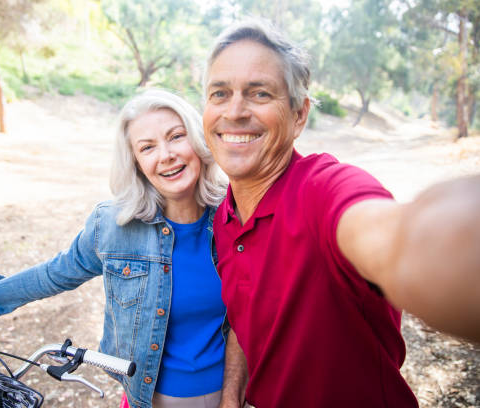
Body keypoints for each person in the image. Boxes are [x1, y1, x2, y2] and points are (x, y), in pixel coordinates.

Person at [201, 19, 480, 408]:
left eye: (259, 93)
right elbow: (246, 315)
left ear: (299, 115)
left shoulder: (323, 192)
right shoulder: (224, 217)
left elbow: (394, 238)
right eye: (219, 93)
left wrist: (441, 248)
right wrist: (231, 399)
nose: (234, 111)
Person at [0, 88, 232, 408]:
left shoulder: (235, 217)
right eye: (147, 147)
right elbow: (55, 274)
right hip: (145, 397)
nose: (165, 155)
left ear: (198, 139)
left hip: (226, 394)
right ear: (135, 162)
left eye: (176, 137)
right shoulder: (113, 227)